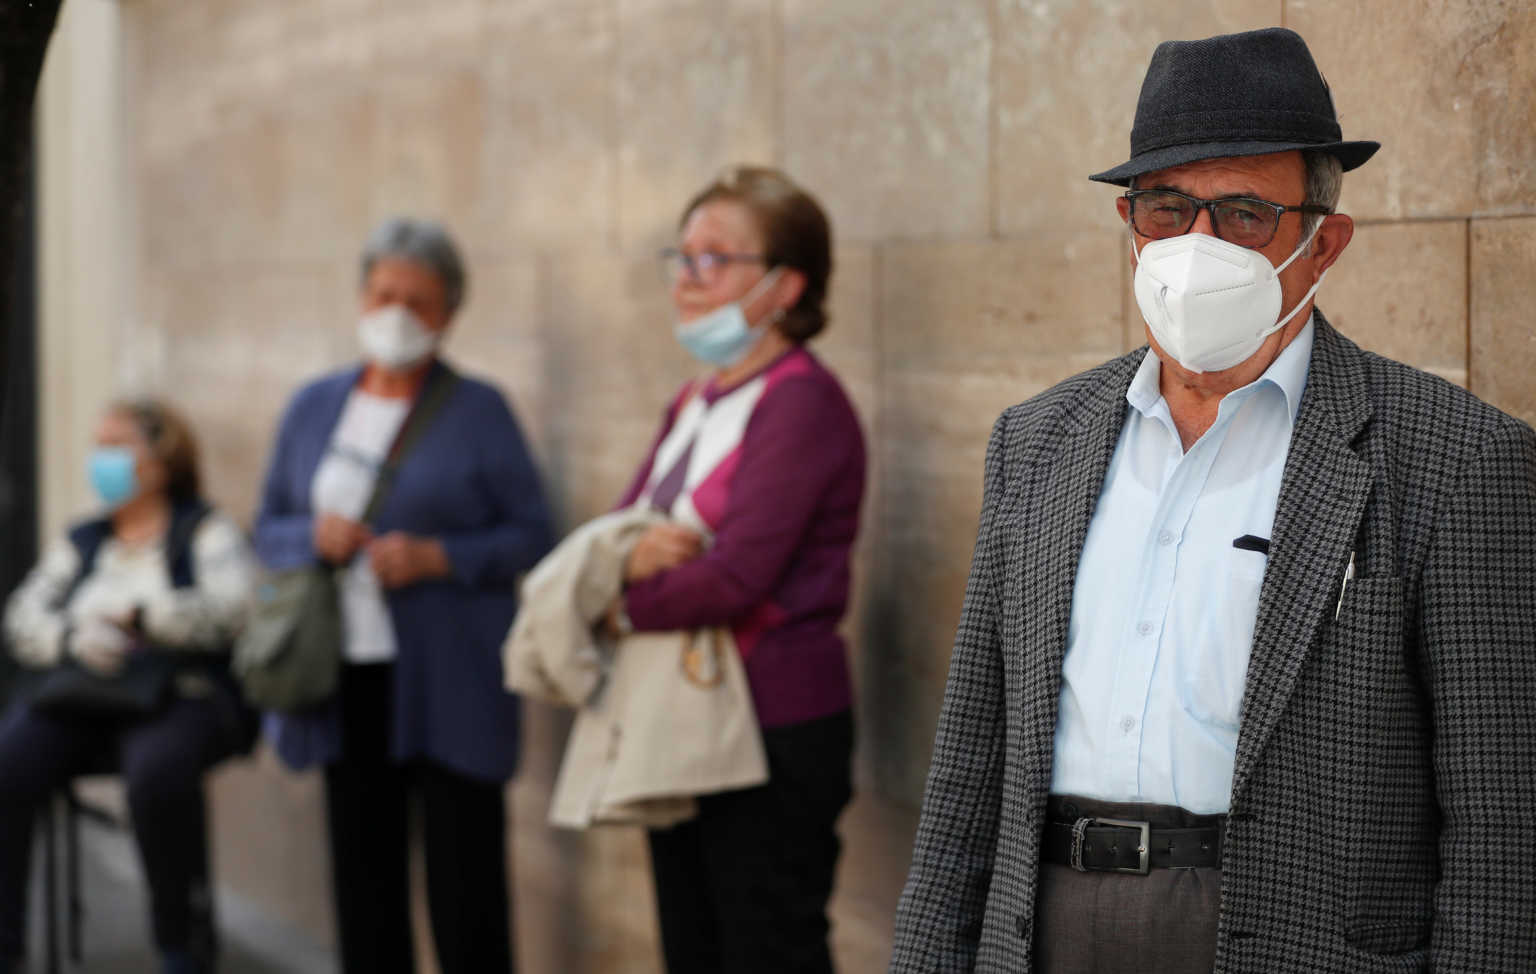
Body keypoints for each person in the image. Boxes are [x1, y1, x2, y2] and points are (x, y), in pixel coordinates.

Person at [890, 27, 1536, 974]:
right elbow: (967, 768)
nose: (1195, 246)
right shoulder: (1037, 443)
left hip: (1292, 939)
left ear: (1323, 244)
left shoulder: (1454, 459)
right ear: (1128, 222)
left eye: (1242, 214)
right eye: (1166, 208)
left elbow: (1503, 823)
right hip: (1042, 929)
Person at [253, 217, 553, 974]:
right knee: (364, 881)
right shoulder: (313, 406)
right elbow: (265, 527)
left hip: (450, 678)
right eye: (385, 293)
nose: (398, 315)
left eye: (419, 302)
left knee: (466, 887)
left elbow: (534, 535)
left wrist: (438, 557)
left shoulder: (481, 411)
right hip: (341, 673)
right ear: (360, 296)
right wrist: (309, 540)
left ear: (449, 314)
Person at [613, 165, 865, 973]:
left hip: (772, 727)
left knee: (768, 950)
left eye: (714, 258)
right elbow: (622, 535)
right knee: (692, 948)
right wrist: (629, 561)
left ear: (786, 284)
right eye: (681, 257)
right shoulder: (695, 400)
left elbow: (736, 577)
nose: (688, 278)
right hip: (687, 717)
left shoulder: (802, 402)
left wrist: (618, 598)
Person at [0, 399, 259, 974]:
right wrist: (72, 638)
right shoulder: (85, 538)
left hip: (176, 695)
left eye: (118, 446)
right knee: (10, 759)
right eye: (99, 445)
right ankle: (7, 942)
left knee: (157, 775)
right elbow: (22, 616)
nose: (103, 460)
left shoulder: (204, 530)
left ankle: (180, 944)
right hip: (84, 692)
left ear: (163, 460)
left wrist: (141, 618)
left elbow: (236, 609)